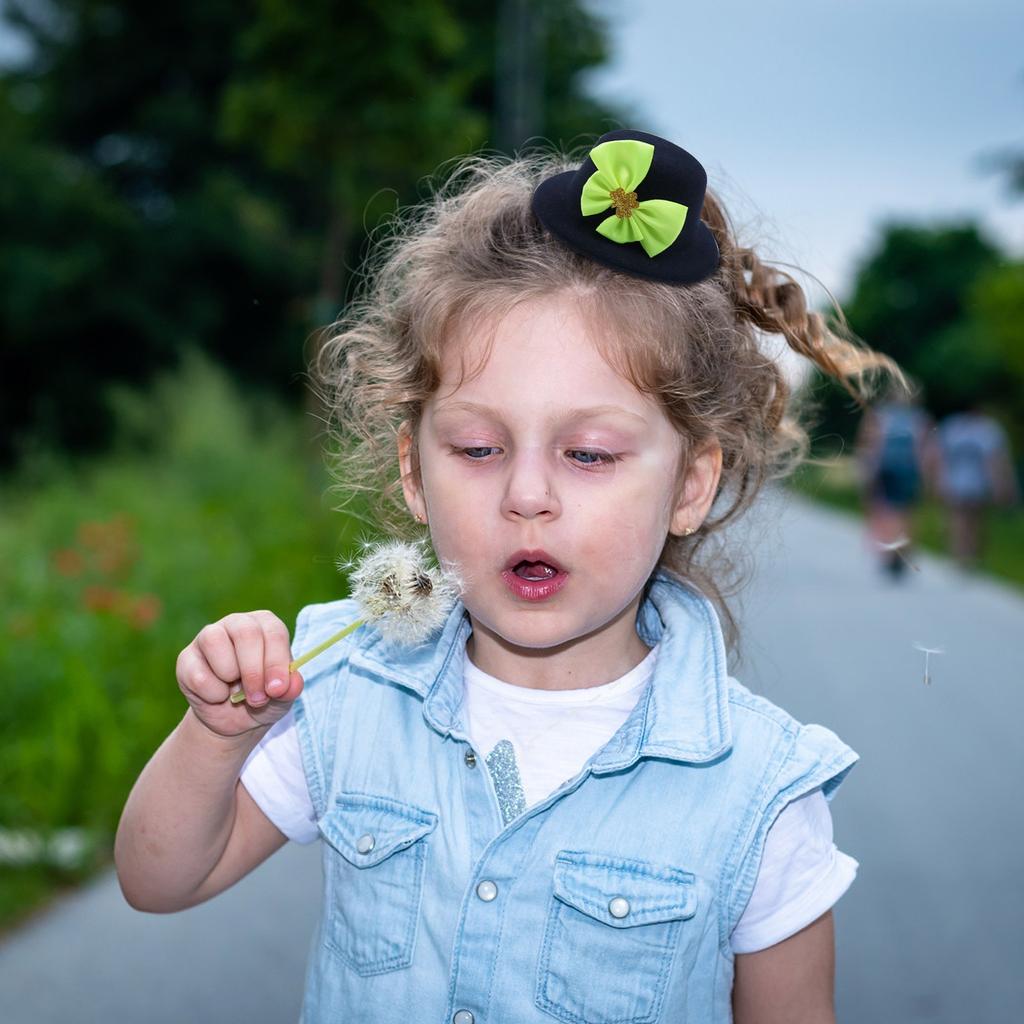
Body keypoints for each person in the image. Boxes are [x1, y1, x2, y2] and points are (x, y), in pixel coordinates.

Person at [115, 130, 902, 1023]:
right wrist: (215, 735)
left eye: (591, 454)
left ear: (690, 483)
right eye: (480, 448)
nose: (527, 495)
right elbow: (157, 880)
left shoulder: (760, 794)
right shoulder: (342, 691)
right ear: (414, 472)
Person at [854, 388, 931, 578]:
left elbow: (868, 444)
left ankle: (891, 554)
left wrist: (866, 470)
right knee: (906, 513)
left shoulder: (880, 415)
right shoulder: (919, 418)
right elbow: (925, 450)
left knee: (886, 512)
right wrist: (926, 476)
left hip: (885, 468)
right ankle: (902, 552)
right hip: (909, 470)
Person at [931, 404, 1020, 568]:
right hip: (976, 483)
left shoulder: (952, 427)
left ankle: (961, 554)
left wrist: (938, 480)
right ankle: (968, 554)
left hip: (957, 481)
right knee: (973, 520)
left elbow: (938, 456)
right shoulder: (988, 430)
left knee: (960, 519)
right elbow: (996, 460)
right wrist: (1002, 485)